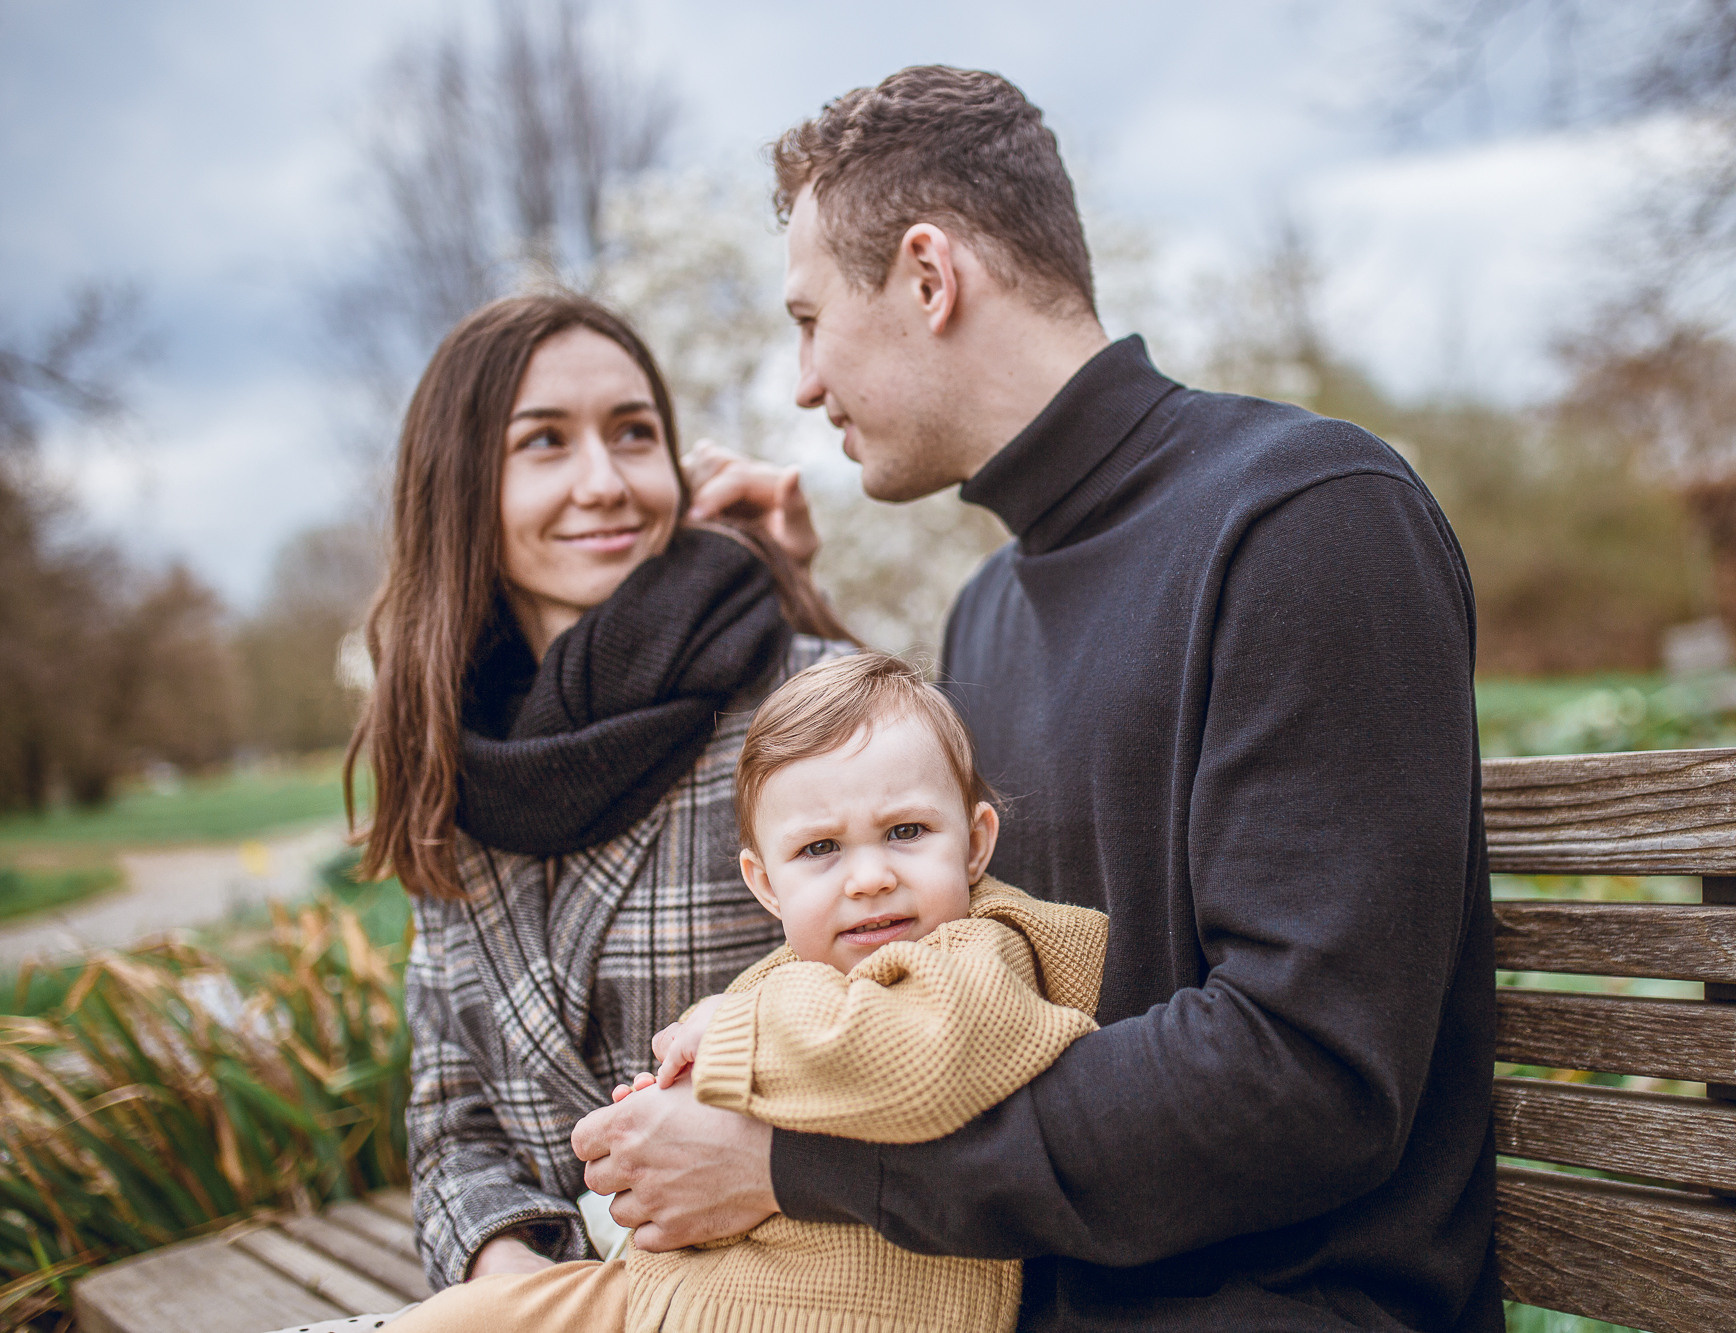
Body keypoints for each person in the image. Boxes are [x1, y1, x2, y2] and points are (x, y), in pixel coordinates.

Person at [572, 66, 1503, 1332]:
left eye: (807, 319)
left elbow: (1307, 1076)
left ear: (926, 275)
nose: (798, 384)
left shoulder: (1304, 520)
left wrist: (797, 1175)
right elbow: (927, 967)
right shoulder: (989, 606)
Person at [343, 292, 851, 1293]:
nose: (604, 482)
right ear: (458, 488)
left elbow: (940, 1017)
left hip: (798, 1289)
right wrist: (506, 1279)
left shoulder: (809, 710)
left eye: (633, 434)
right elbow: (451, 1108)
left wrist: (774, 1163)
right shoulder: (448, 747)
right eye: (543, 441)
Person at [379, 652, 1109, 1333]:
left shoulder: (978, 951)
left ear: (975, 841)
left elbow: (923, 1055)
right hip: (672, 1288)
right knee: (462, 1316)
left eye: (907, 830)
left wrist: (732, 1033)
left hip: (815, 1312)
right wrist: (666, 1107)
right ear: (765, 882)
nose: (868, 876)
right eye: (820, 848)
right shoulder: (794, 966)